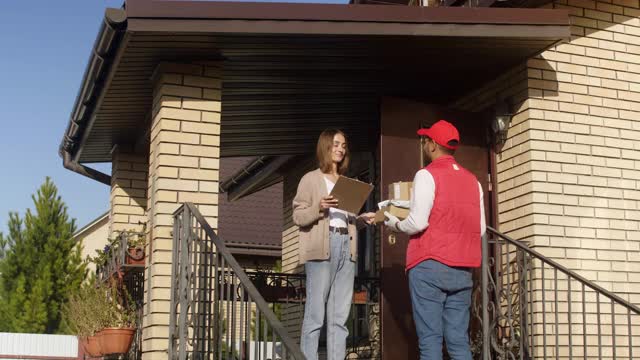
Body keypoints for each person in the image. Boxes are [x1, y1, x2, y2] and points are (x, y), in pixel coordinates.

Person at [384, 120, 486, 360]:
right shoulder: (474, 181)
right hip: (462, 270)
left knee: (430, 341)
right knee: (459, 342)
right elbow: (480, 228)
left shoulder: (427, 175)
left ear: (432, 145)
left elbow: (418, 223)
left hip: (429, 265)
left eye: (425, 140)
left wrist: (395, 224)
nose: (424, 144)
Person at [293, 129, 376, 360]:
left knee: (340, 317)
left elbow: (345, 221)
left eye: (343, 145)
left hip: (346, 248)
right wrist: (319, 208)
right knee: (315, 314)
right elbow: (298, 217)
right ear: (325, 147)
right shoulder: (310, 179)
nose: (341, 149)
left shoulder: (347, 183)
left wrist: (361, 220)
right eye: (336, 144)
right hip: (321, 246)